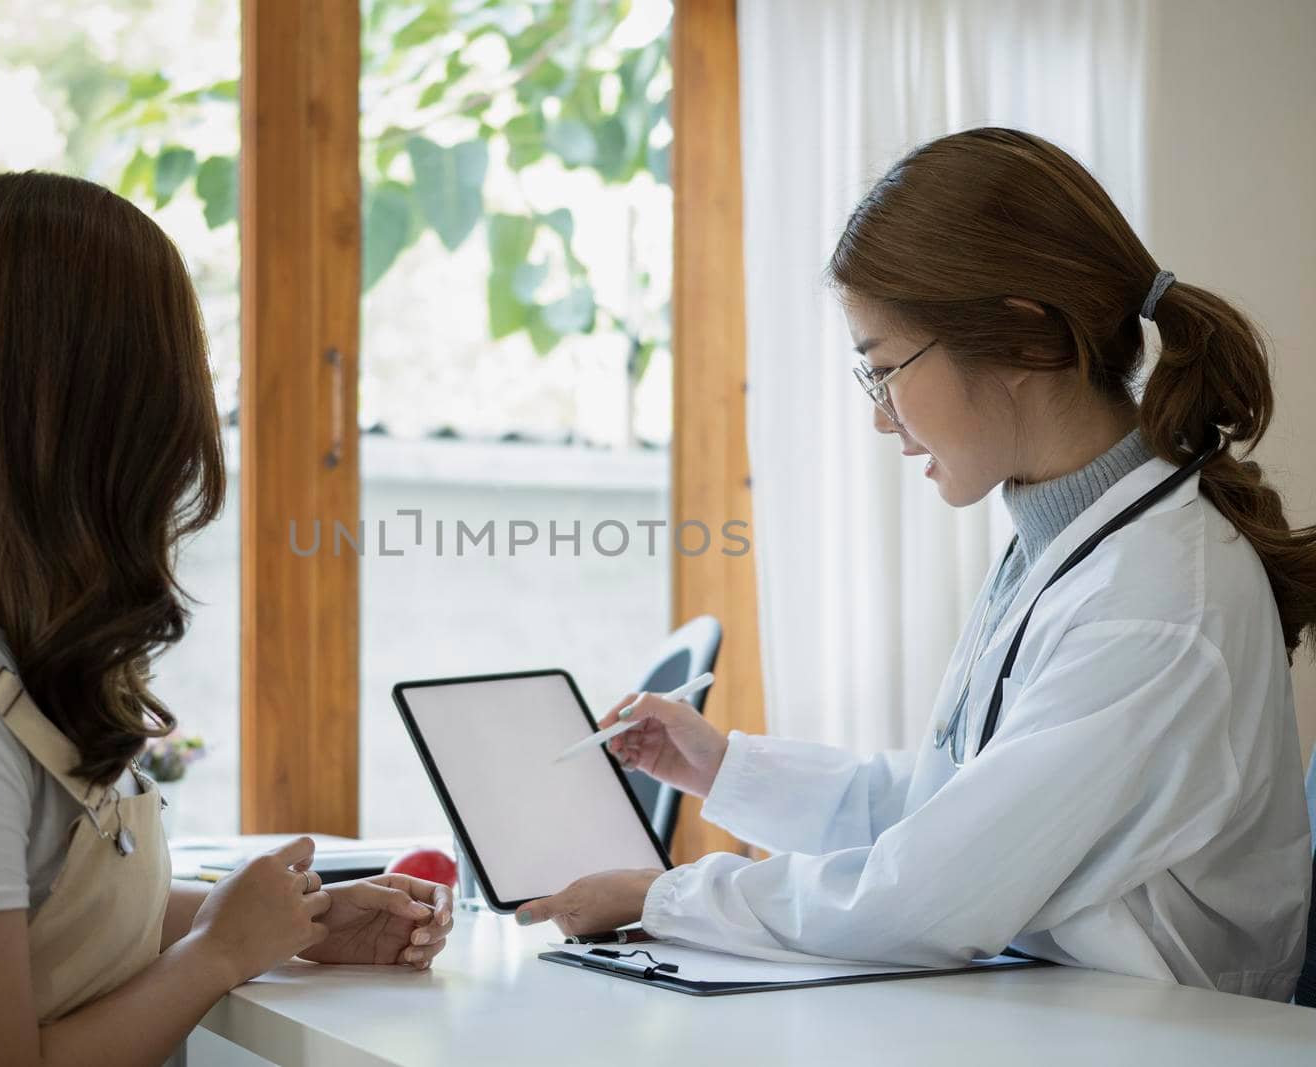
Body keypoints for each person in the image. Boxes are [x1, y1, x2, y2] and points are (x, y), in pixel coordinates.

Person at [518, 127, 1313, 1001]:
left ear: (1021, 338)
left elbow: (927, 895)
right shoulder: (1066, 543)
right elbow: (951, 812)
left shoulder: (1156, 598)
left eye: (886, 368)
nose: (882, 417)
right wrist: (723, 768)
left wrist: (666, 895)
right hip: (1056, 1009)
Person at [0, 172, 453, 1066]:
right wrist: (216, 955)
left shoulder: (4, 647)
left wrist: (297, 923)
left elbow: (35, 925)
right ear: (102, 418)